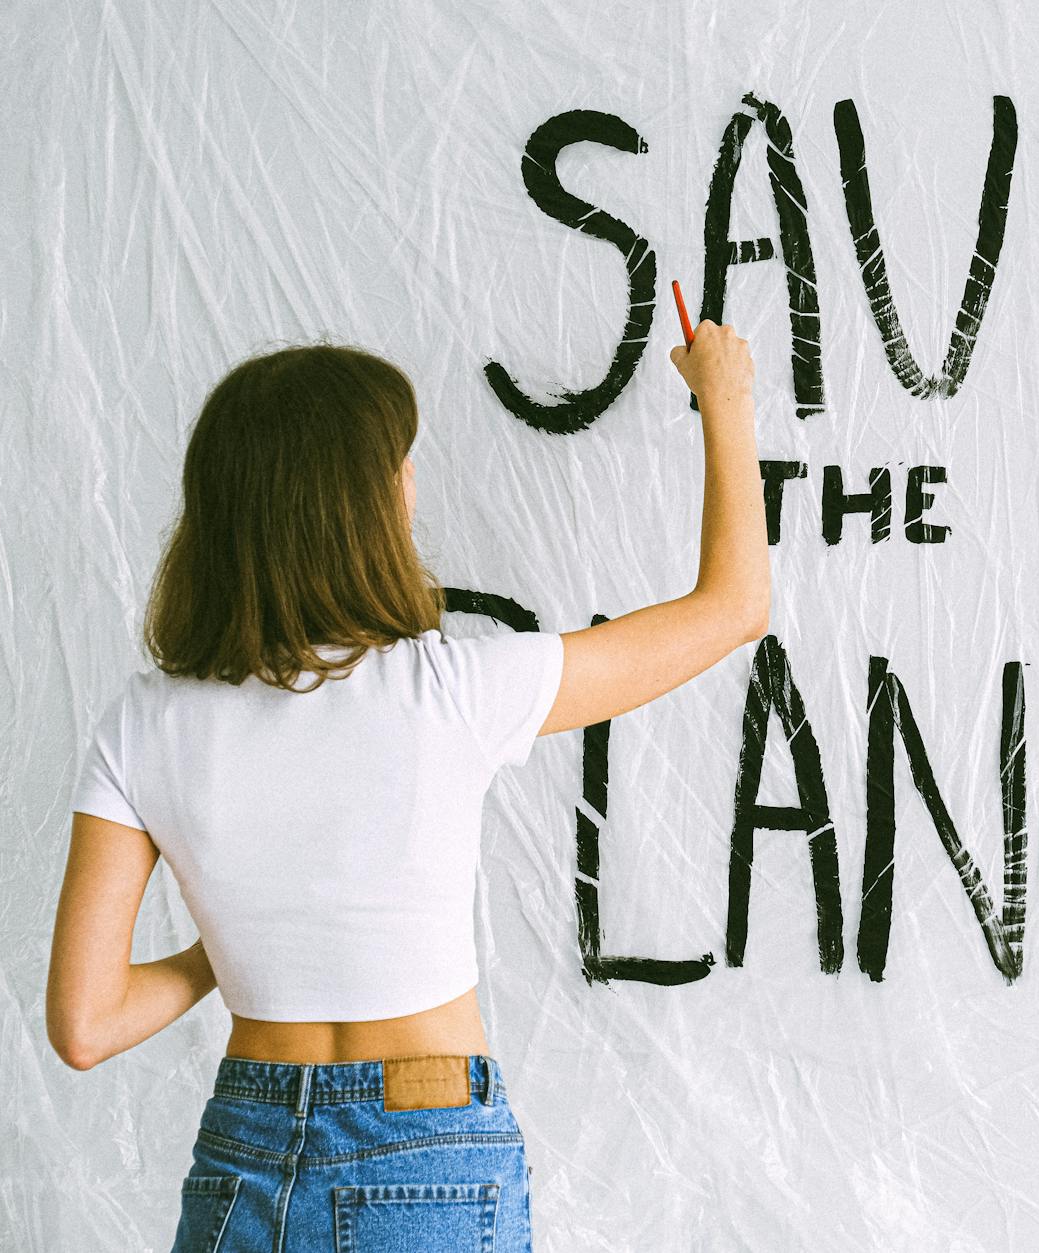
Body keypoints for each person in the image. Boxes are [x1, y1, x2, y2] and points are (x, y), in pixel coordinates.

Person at [45, 319, 766, 1252]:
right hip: (424, 1151)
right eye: (402, 466)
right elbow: (735, 605)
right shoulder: (450, 689)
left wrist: (220, 951)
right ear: (364, 506)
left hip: (244, 1154)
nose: (413, 484)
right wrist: (727, 398)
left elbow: (85, 1023)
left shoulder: (145, 722)